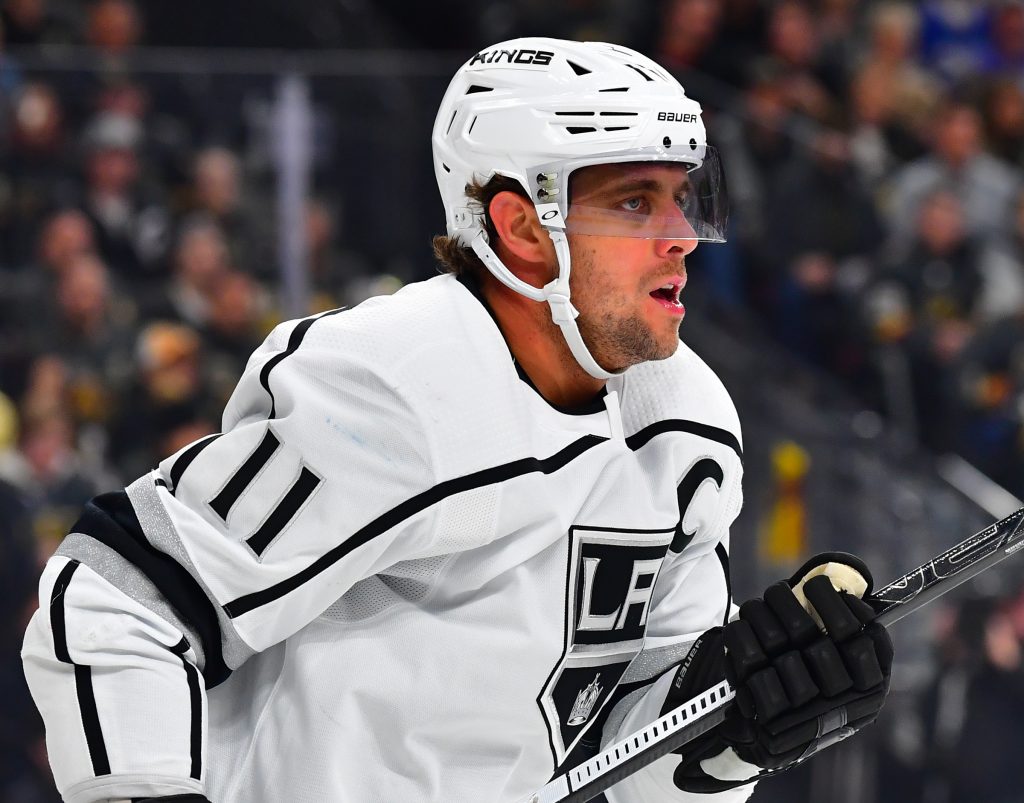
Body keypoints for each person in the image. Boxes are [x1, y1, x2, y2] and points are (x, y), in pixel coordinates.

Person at [21, 38, 893, 803]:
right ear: (520, 227)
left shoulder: (687, 424)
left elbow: (635, 767)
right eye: (635, 202)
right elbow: (115, 603)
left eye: (682, 196)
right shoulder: (395, 386)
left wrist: (750, 716)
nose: (682, 235)